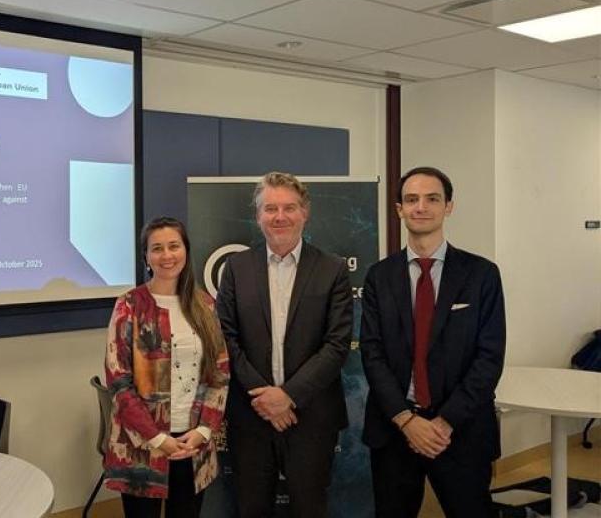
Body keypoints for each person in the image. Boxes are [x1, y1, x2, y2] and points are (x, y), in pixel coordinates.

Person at [360, 166, 505, 518]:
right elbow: (372, 352)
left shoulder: (482, 274)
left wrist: (443, 422)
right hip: (394, 430)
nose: (420, 207)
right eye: (411, 199)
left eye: (432, 199)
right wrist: (407, 421)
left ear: (448, 207)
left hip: (461, 430)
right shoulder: (379, 276)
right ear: (399, 209)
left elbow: (489, 357)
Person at [216, 172, 353, 518]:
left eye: (289, 208)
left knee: (310, 509)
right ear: (258, 215)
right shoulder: (236, 268)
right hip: (251, 416)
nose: (280, 217)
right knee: (251, 508)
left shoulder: (332, 269)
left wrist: (287, 396)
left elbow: (336, 345)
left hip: (311, 417)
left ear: (305, 213)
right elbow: (225, 339)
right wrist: (265, 396)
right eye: (270, 208)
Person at [104, 217, 230, 518]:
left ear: (185, 251)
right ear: (146, 257)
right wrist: (158, 438)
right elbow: (119, 381)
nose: (167, 255)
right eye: (156, 248)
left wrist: (203, 430)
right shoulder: (130, 305)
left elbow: (220, 373)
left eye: (174, 246)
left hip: (193, 443)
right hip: (141, 447)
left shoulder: (205, 305)